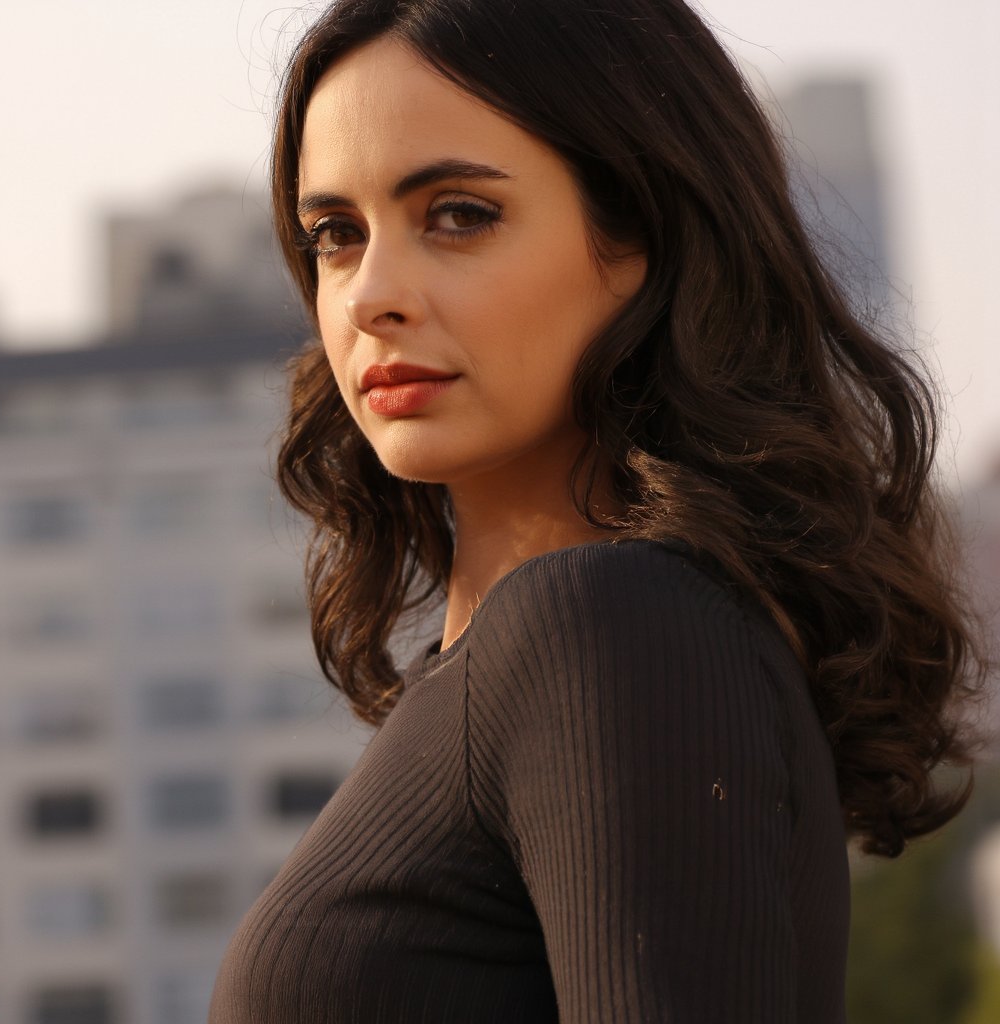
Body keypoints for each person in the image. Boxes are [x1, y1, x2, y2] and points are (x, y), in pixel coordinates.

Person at [209, 1, 986, 1020]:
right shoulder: (522, 659)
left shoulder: (614, 628)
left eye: (458, 214)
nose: (368, 296)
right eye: (335, 235)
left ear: (645, 238)